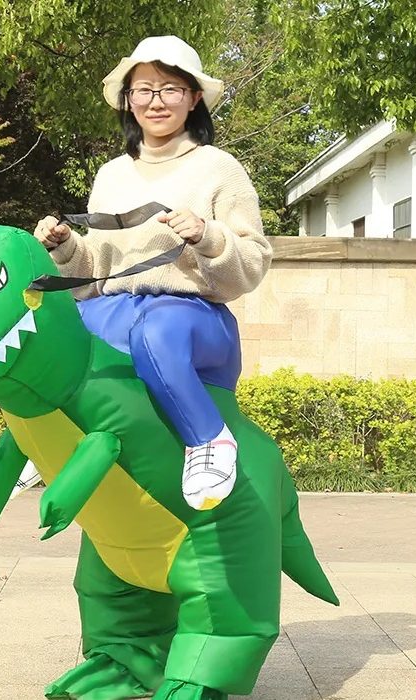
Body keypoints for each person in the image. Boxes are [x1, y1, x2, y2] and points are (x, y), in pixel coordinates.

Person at [34, 35, 272, 511]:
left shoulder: (220, 168)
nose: (156, 101)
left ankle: (209, 439)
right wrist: (65, 248)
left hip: (193, 319)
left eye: (170, 89)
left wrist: (208, 236)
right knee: (54, 331)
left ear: (194, 98)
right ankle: (48, 440)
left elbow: (251, 264)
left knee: (156, 332)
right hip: (116, 310)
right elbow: (95, 272)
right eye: (143, 89)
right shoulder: (112, 174)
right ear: (128, 100)